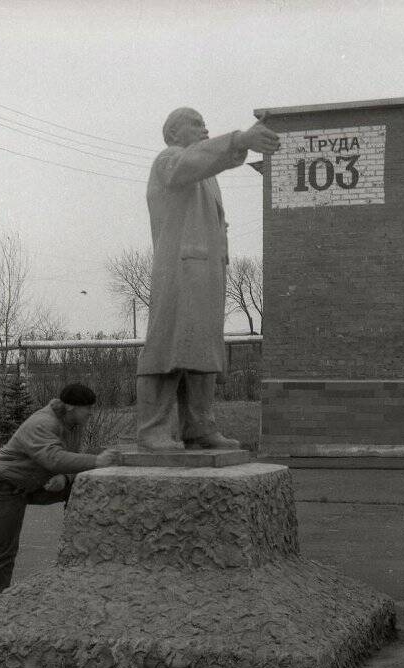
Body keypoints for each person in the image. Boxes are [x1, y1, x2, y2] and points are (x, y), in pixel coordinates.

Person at [136, 107, 281, 452]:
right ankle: (151, 429)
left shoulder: (207, 176)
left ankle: (200, 427)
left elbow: (208, 164)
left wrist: (238, 145)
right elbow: (193, 162)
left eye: (205, 123)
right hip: (179, 270)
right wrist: (239, 140)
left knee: (202, 351)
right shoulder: (168, 160)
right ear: (173, 133)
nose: (204, 128)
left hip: (206, 274)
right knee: (167, 346)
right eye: (196, 123)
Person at [0, 382, 115, 601]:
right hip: (6, 486)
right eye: (88, 408)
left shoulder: (72, 424)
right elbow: (53, 458)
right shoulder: (42, 423)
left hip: (35, 484)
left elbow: (69, 461)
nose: (91, 413)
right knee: (2, 553)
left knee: (80, 485)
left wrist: (64, 478)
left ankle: (80, 549)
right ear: (72, 407)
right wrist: (97, 461)